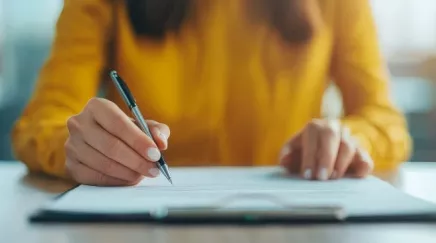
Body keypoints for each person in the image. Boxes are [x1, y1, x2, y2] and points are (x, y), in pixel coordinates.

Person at [12, 0, 411, 186]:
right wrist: (78, 145)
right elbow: (40, 124)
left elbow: (387, 123)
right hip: (136, 226)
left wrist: (350, 140)